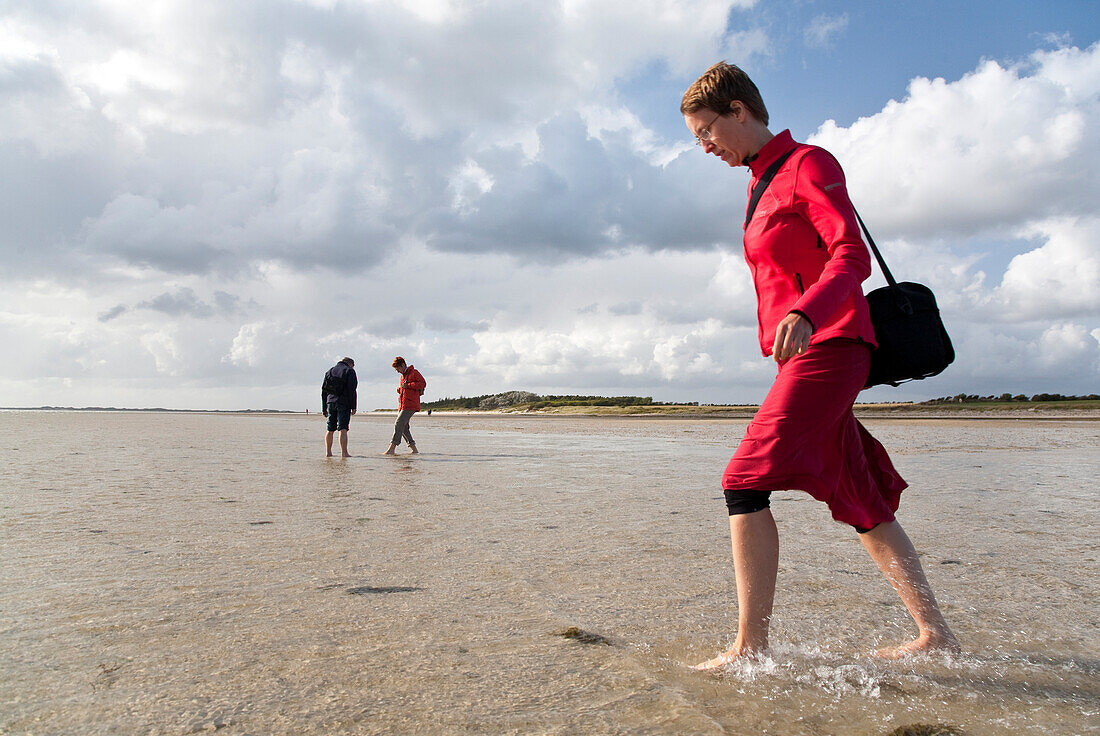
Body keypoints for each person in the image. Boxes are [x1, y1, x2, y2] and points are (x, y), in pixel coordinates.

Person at [681, 62, 959, 668]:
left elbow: (849, 254)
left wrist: (807, 313)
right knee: (862, 499)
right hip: (807, 353)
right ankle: (935, 635)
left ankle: (750, 648)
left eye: (706, 132)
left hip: (832, 344)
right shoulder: (759, 182)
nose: (703, 147)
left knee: (743, 480)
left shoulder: (808, 163)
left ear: (738, 111)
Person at [383, 356, 426, 455]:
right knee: (404, 427)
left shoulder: (414, 372)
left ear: (403, 365)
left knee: (399, 423)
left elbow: (423, 384)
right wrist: (401, 390)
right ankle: (414, 449)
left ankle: (392, 448)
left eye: (397, 369)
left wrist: (408, 386)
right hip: (403, 404)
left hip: (411, 404)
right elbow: (406, 387)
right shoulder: (402, 376)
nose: (397, 371)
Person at [322, 357, 357, 457]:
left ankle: (328, 452)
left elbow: (324, 391)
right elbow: (352, 390)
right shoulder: (349, 371)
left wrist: (324, 408)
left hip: (330, 402)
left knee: (330, 429)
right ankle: (344, 453)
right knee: (343, 428)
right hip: (343, 403)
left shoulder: (330, 371)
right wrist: (353, 406)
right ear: (350, 364)